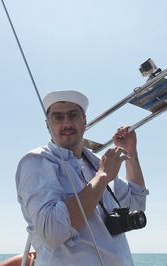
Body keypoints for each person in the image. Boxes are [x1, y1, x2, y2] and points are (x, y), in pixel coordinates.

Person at [15, 90, 149, 266]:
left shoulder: (96, 162)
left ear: (84, 120)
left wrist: (131, 153)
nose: (67, 123)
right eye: (58, 117)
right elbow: (52, 232)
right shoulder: (36, 162)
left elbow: (136, 204)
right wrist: (102, 178)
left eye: (73, 115)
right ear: (48, 125)